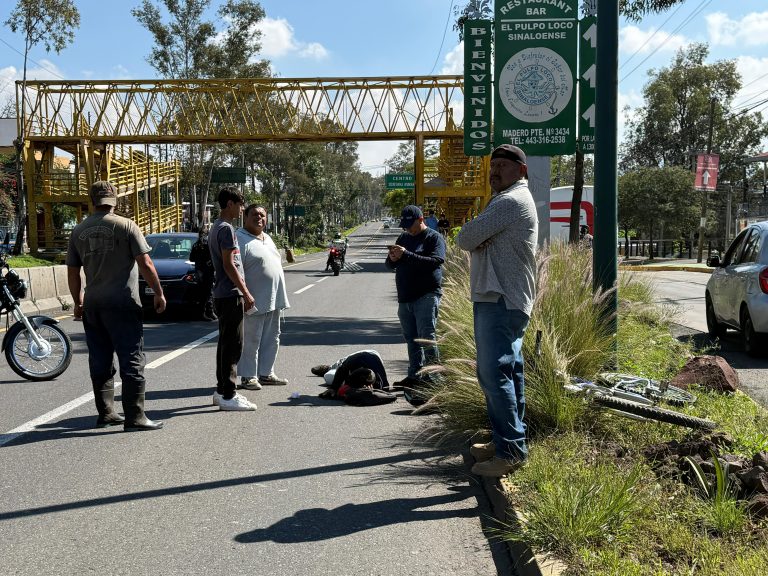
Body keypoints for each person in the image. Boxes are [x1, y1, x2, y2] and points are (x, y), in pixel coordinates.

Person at [456, 144, 538, 477]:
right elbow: (474, 237)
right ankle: (507, 441)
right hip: (504, 298)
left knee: (493, 374)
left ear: (522, 171)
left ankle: (510, 452)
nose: (494, 172)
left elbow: (464, 237)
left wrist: (478, 236)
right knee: (509, 373)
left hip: (501, 299)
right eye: (492, 167)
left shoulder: (511, 201)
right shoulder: (507, 201)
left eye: (503, 166)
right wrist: (479, 236)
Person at [66, 180, 166, 431]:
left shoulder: (78, 230)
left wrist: (77, 301)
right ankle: (135, 416)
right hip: (122, 303)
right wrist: (158, 293)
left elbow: (72, 271)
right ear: (114, 201)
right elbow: (146, 263)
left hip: (93, 304)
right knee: (132, 358)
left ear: (93, 201)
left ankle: (107, 412)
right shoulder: (126, 225)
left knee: (99, 358)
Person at [208, 186, 257, 411]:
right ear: (229, 204)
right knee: (233, 346)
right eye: (240, 205)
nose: (242, 209)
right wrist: (245, 292)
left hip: (223, 293)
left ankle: (221, 391)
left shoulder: (216, 227)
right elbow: (229, 265)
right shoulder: (226, 229)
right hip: (230, 294)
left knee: (225, 344)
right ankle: (229, 394)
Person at [385, 205, 446, 381]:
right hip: (405, 298)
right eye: (404, 225)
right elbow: (389, 265)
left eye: (410, 225)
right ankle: (415, 375)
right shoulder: (404, 237)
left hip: (426, 295)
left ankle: (434, 378)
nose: (407, 229)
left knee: (426, 337)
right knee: (411, 339)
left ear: (421, 220)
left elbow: (436, 261)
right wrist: (392, 259)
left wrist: (407, 255)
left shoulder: (433, 238)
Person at [236, 205, 290, 389]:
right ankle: (248, 376)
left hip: (274, 299)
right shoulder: (240, 239)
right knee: (251, 339)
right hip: (253, 300)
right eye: (254, 214)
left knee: (272, 338)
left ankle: (266, 373)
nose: (259, 218)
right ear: (245, 217)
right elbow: (235, 270)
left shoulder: (267, 238)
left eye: (262, 215)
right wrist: (244, 295)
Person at [189, 225, 216, 321]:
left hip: (198, 271)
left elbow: (191, 258)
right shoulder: (209, 244)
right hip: (207, 271)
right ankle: (207, 312)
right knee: (208, 292)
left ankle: (206, 312)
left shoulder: (196, 244)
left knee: (202, 292)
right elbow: (213, 257)